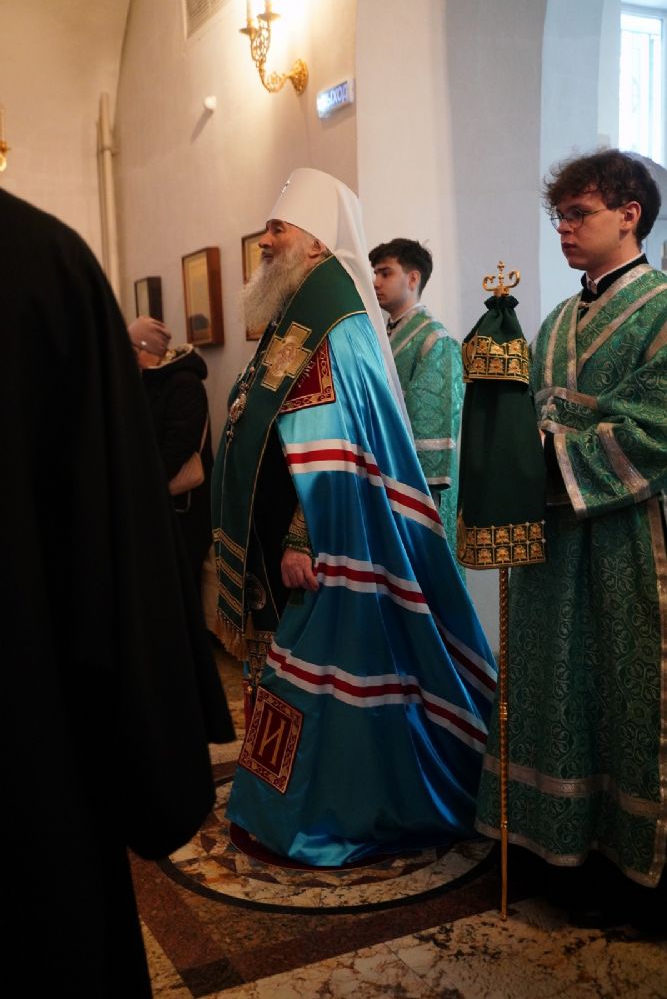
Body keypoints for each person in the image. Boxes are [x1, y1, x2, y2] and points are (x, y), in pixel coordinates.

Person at [212, 167, 497, 867]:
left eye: (277, 229)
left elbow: (336, 445)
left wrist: (302, 536)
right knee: (301, 680)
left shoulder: (333, 322)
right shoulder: (304, 312)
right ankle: (285, 807)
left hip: (327, 543)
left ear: (315, 242)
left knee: (326, 684)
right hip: (302, 540)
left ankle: (322, 813)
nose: (264, 241)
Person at [1, 187, 235, 995]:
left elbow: (172, 459)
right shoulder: (40, 262)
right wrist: (155, 762)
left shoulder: (177, 380)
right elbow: (106, 539)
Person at [475, 149, 667, 929]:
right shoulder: (553, 319)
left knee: (621, 692)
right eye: (557, 216)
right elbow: (524, 413)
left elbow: (655, 427)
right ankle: (550, 846)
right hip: (549, 543)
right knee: (549, 687)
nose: (562, 229)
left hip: (625, 539)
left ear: (629, 214)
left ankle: (621, 867)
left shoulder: (660, 308)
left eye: (578, 214)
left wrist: (545, 451)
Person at [369, 238, 463, 558]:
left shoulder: (435, 340)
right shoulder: (380, 336)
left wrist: (416, 497)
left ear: (412, 278)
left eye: (385, 273)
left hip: (414, 488)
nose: (376, 282)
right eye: (375, 273)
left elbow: (431, 427)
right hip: (379, 476)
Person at [128, 316, 214, 590]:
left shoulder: (184, 383)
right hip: (164, 501)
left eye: (132, 350)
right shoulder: (152, 380)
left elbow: (178, 445)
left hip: (185, 507)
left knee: (182, 582)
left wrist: (145, 484)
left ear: (145, 350)